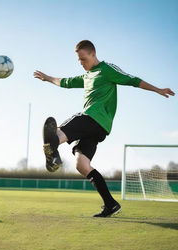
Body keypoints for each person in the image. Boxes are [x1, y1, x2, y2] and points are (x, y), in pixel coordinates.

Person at [33, 40, 175, 217]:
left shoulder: (107, 69)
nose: (81, 63)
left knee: (59, 131)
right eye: (79, 60)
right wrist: (47, 78)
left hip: (93, 118)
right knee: (82, 165)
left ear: (93, 54)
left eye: (83, 59)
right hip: (97, 130)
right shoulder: (86, 77)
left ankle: (53, 152)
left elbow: (133, 80)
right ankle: (111, 204)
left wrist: (158, 90)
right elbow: (66, 82)